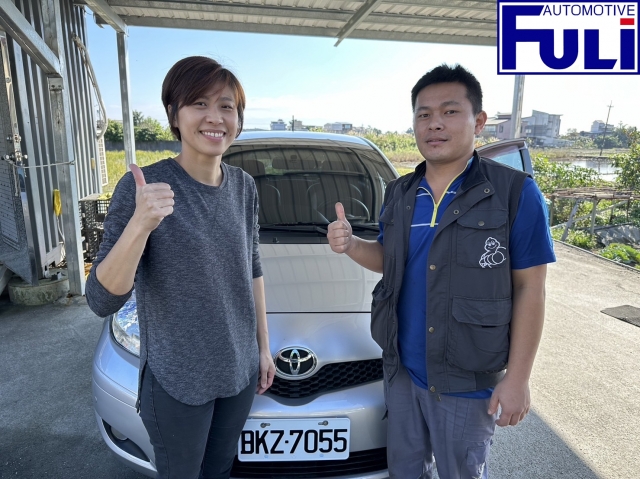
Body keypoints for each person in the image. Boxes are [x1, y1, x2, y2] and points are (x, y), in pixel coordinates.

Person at [327, 64, 556, 478]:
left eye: (450, 112)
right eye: (424, 114)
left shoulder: (514, 193)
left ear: (478, 121)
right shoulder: (399, 192)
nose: (434, 124)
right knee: (405, 471)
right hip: (403, 371)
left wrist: (518, 378)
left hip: (466, 376)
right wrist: (352, 245)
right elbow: (390, 260)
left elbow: (531, 289)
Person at [86, 56, 275, 479]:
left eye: (226, 106)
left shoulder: (243, 186)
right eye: (199, 103)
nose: (215, 117)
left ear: (238, 119)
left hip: (238, 372)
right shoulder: (144, 189)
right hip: (177, 380)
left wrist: (262, 348)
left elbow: (252, 269)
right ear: (174, 114)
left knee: (219, 471)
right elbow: (101, 299)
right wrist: (140, 224)